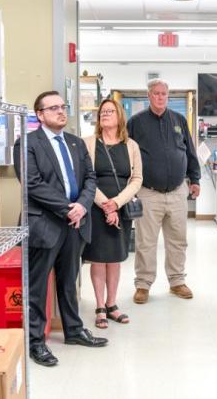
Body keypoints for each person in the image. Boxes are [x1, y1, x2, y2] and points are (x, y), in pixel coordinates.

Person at [15, 90, 107, 368]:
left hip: (76, 225)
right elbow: (31, 183)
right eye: (52, 108)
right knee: (37, 285)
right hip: (45, 224)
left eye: (62, 106)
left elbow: (91, 178)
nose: (60, 111)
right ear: (40, 115)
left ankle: (74, 331)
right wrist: (68, 207)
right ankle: (35, 342)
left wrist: (81, 205)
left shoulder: (76, 143)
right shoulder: (28, 143)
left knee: (69, 282)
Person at [126, 78, 201, 304]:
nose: (160, 97)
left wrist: (195, 179)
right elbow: (127, 154)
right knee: (146, 241)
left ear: (168, 96)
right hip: (148, 192)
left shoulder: (178, 120)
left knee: (178, 240)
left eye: (164, 94)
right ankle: (143, 284)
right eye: (156, 93)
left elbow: (190, 151)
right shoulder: (135, 122)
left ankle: (177, 281)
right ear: (149, 95)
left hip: (178, 191)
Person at [82, 99, 143, 328]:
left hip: (122, 207)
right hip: (96, 208)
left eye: (110, 111)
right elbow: (85, 177)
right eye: (102, 112)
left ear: (119, 116)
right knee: (98, 258)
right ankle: (99, 306)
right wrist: (105, 204)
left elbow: (137, 179)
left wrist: (116, 204)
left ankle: (112, 304)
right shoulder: (87, 144)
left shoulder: (131, 146)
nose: (105, 114)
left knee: (115, 258)